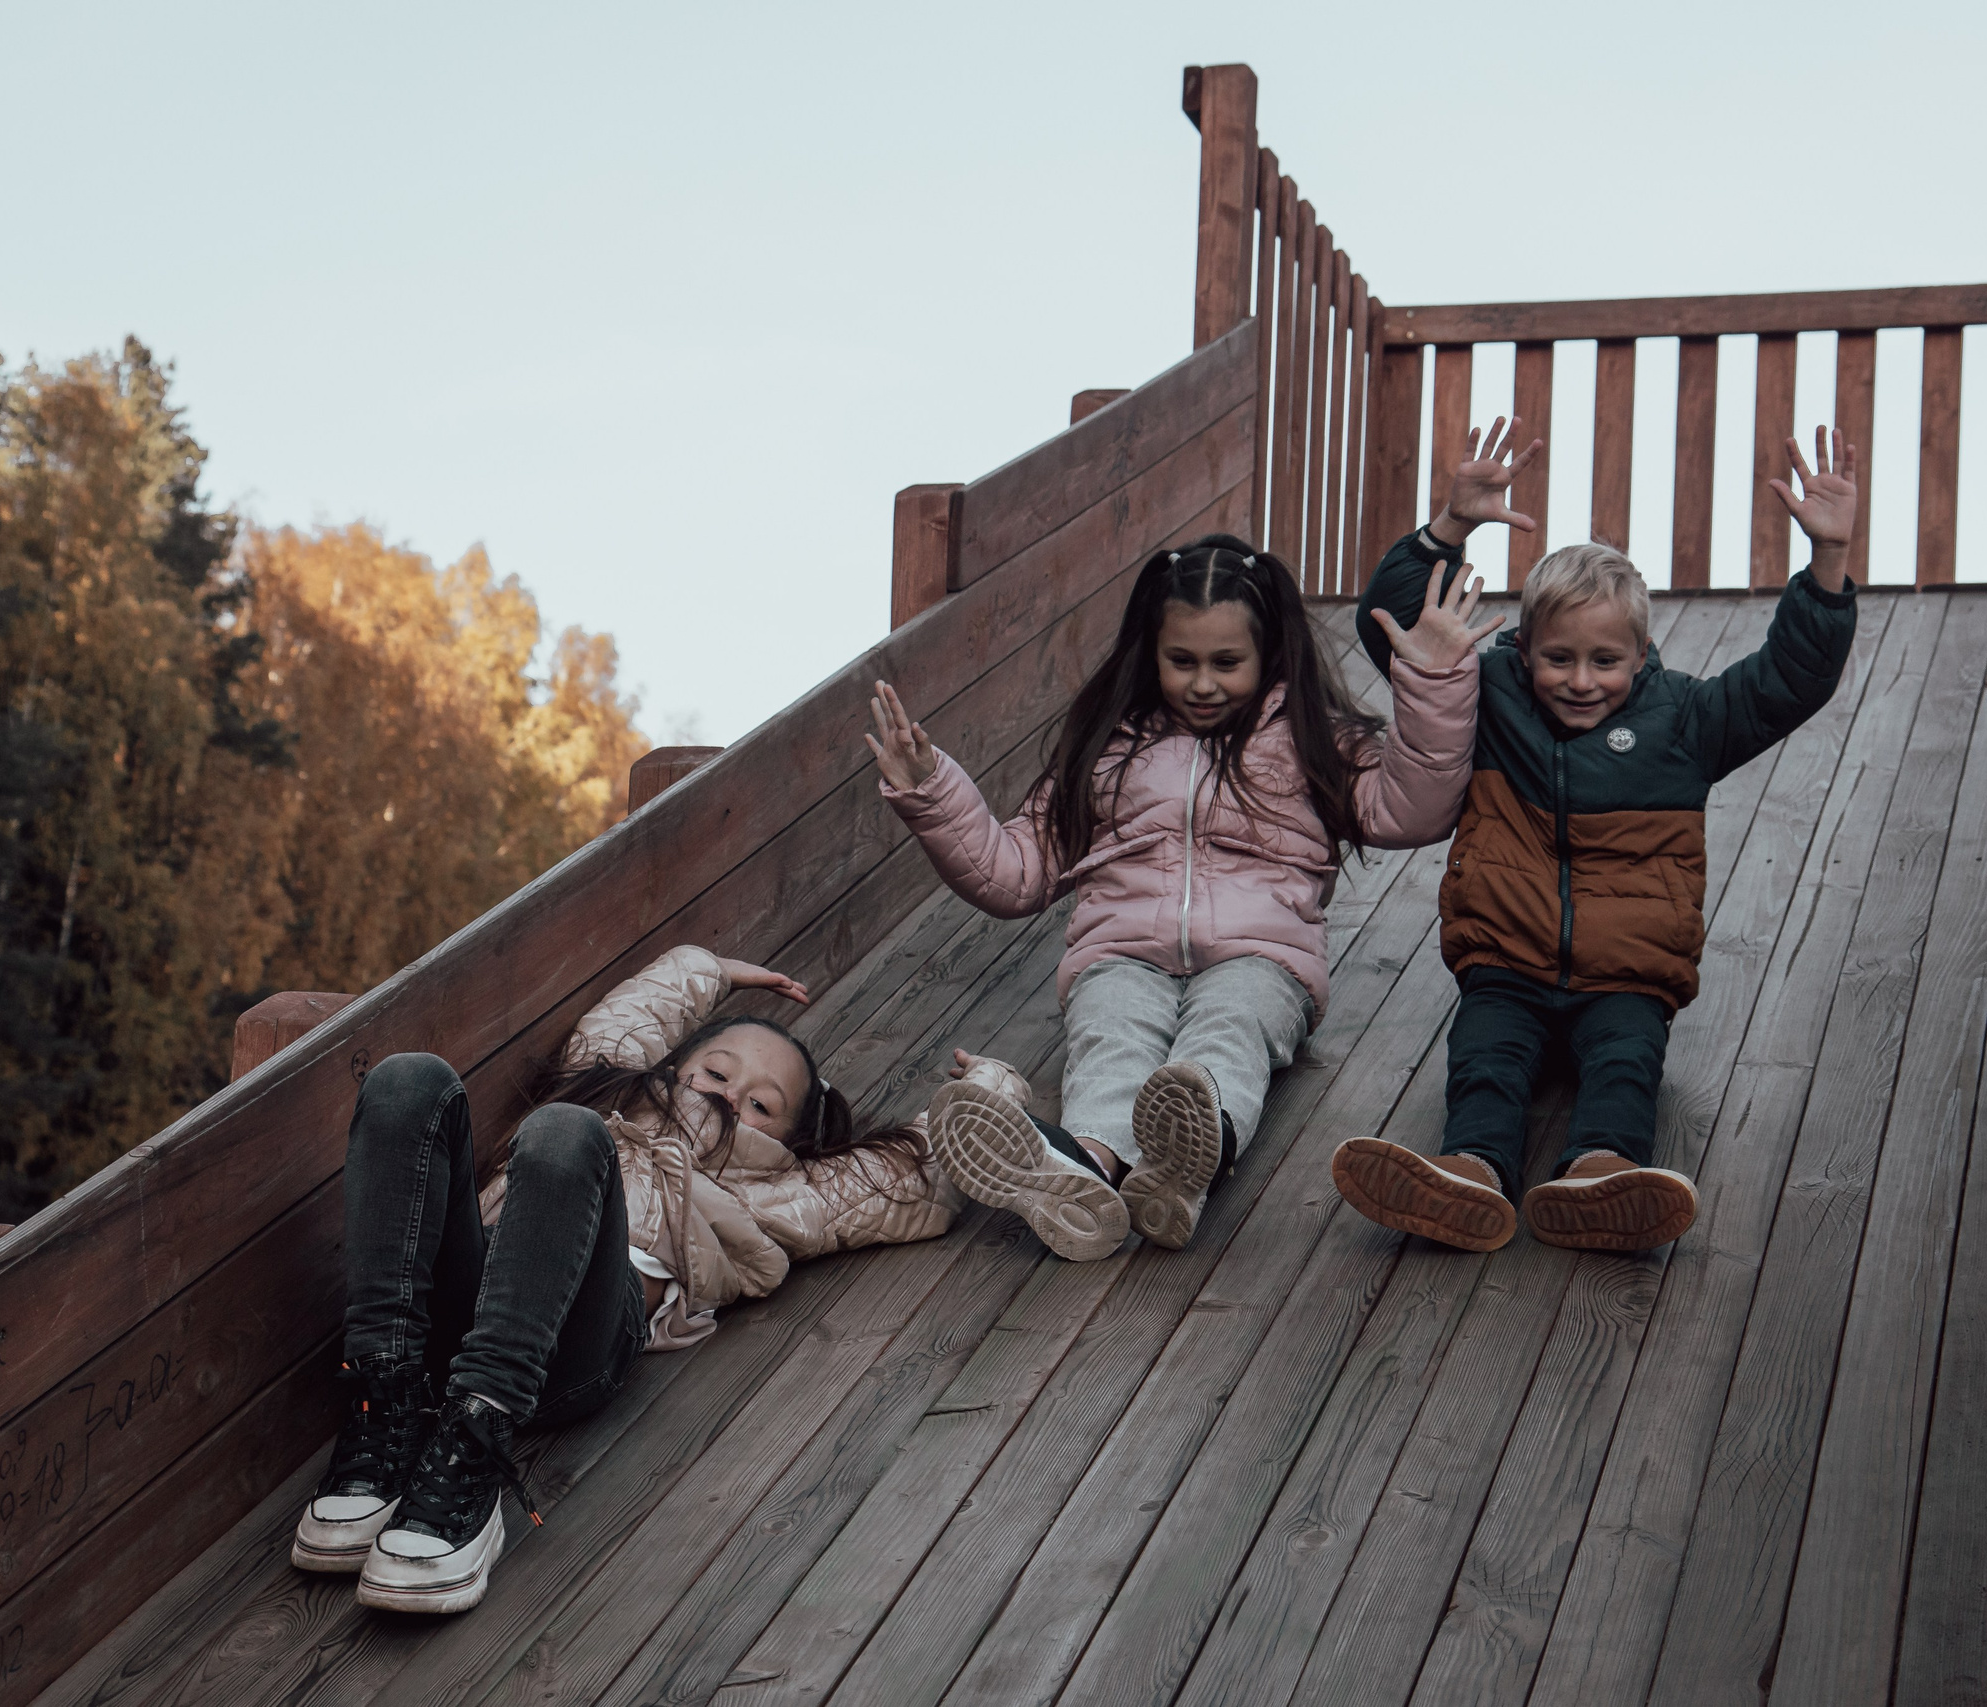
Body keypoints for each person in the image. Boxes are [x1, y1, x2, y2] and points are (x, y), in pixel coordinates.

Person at [867, 513, 1505, 1260]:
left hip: (1261, 955)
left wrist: (1433, 682)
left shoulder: (1309, 737)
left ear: (1269, 653)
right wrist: (933, 793)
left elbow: (1412, 807)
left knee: (1227, 1031)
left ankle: (1192, 1153)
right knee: (1112, 1035)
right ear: (1152, 653)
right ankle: (1088, 1165)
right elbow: (1014, 875)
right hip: (1122, 951)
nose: (1203, 683)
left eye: (1227, 662)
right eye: (1182, 661)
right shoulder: (1109, 748)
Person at [290, 944, 959, 1614]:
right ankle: (382, 1410)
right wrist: (709, 969)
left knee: (567, 1134)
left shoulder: (781, 1188)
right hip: (466, 1297)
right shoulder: (612, 1092)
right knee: (409, 1080)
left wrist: (983, 1097)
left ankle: (475, 1442)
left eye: (761, 1103)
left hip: (569, 1347)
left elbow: (908, 1176)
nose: (728, 1095)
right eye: (715, 1072)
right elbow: (626, 1022)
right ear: (672, 1068)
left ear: (791, 1143)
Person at [1330, 424, 1861, 1254]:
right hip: (1505, 957)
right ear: (1522, 649)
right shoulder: (1492, 693)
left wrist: (1827, 561)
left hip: (1628, 971)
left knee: (1624, 1064)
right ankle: (1470, 1170)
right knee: (1485, 1057)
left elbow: (1788, 680)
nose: (1581, 680)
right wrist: (1448, 528)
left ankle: (1602, 1173)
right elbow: (1398, 627)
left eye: (1606, 660)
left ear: (1642, 653)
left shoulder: (1685, 719)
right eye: (1559, 658)